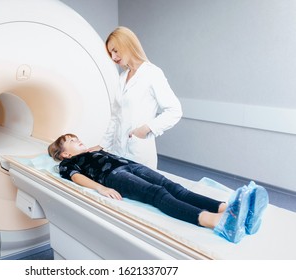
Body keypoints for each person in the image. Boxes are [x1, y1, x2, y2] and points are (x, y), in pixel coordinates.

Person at [48, 133, 269, 243]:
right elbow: (76, 178)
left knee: (174, 187)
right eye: (72, 140)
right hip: (113, 176)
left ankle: (228, 209)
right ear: (65, 153)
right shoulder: (68, 164)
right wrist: (100, 188)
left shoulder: (93, 150)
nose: (78, 140)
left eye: (77, 138)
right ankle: (215, 222)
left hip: (131, 166)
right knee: (157, 194)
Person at [91, 26, 183, 169]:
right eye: (111, 53)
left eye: (115, 50)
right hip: (117, 150)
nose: (113, 57)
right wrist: (102, 145)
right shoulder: (122, 77)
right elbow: (115, 117)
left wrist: (147, 128)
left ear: (127, 44)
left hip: (139, 152)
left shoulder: (152, 73)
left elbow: (175, 110)